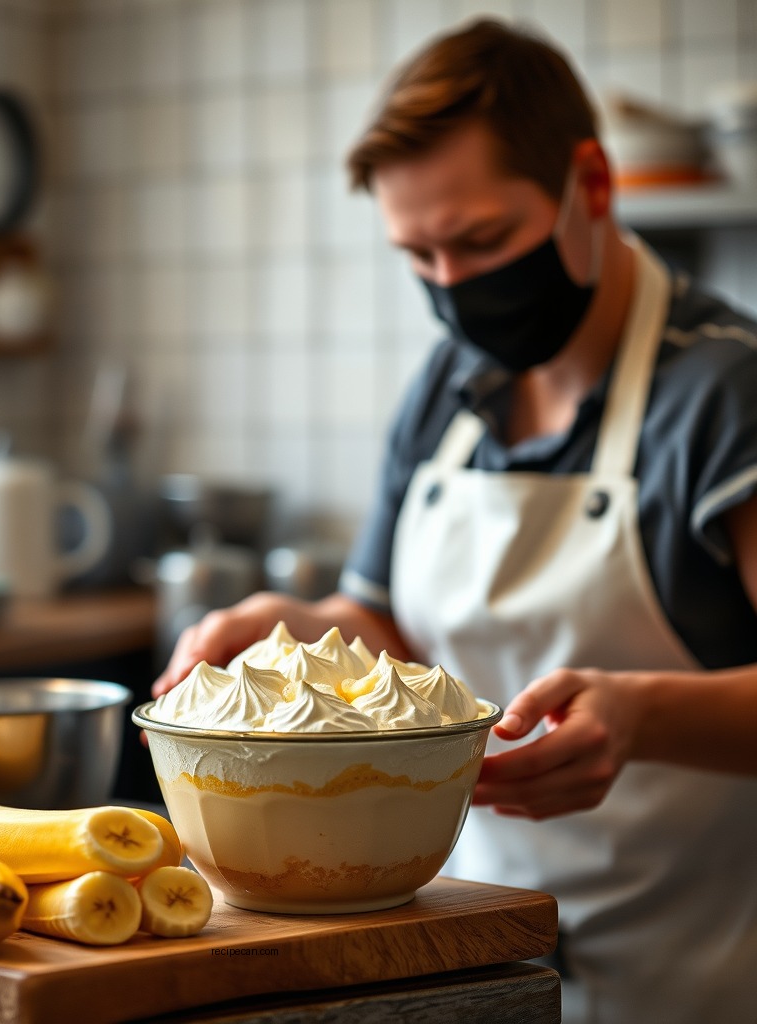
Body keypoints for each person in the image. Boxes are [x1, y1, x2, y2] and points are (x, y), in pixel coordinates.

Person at [152, 18, 757, 1024]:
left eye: (480, 241)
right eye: (417, 255)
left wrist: (643, 714)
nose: (453, 287)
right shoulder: (450, 386)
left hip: (686, 975)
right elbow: (386, 631)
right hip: (469, 956)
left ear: (590, 187)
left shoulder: (721, 396)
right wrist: (290, 629)